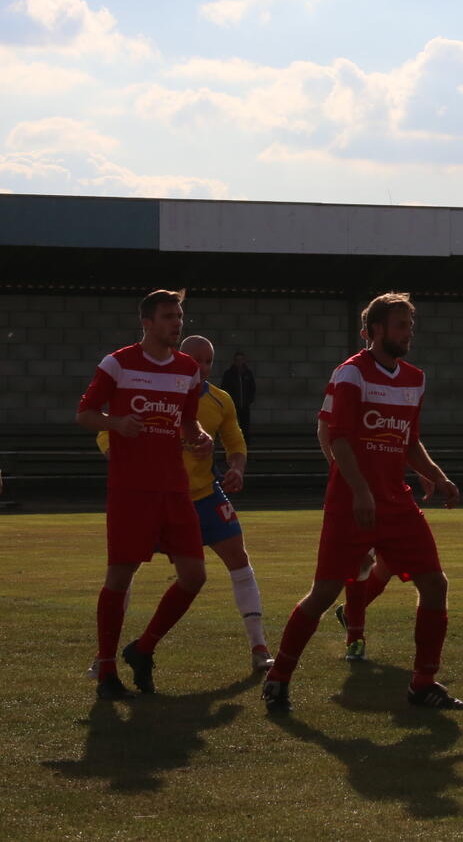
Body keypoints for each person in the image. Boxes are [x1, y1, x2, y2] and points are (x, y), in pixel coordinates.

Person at [261, 292, 463, 714]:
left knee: (435, 584)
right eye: (400, 325)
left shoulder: (414, 379)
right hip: (351, 502)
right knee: (324, 593)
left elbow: (409, 442)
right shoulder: (352, 373)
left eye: (410, 326)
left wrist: (437, 475)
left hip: (396, 501)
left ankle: (423, 683)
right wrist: (360, 491)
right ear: (375, 330)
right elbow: (338, 438)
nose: (408, 333)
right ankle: (278, 677)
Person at [96, 334, 271, 671]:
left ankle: (259, 646)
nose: (202, 367)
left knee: (238, 558)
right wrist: (122, 455)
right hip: (153, 496)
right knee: (124, 570)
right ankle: (105, 655)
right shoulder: (152, 389)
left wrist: (236, 468)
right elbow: (106, 431)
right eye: (196, 360)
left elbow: (236, 442)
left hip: (204, 495)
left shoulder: (220, 400)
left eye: (208, 361)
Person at [74, 289, 214, 700]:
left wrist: (200, 437)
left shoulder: (188, 369)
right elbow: (85, 414)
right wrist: (116, 423)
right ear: (147, 322)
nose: (177, 323)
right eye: (169, 316)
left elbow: (187, 423)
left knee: (194, 576)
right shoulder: (118, 363)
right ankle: (106, 668)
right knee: (120, 576)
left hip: (174, 488)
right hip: (131, 489)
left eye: (179, 316)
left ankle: (143, 648)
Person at [221, 352, 256, 441]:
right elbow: (224, 388)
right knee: (233, 425)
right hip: (233, 405)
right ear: (234, 361)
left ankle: (245, 443)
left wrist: (249, 400)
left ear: (244, 361)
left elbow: (252, 388)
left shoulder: (248, 373)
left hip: (245, 405)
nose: (239, 362)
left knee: (245, 425)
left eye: (241, 360)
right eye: (237, 360)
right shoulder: (229, 374)